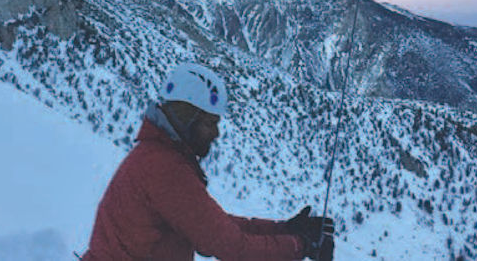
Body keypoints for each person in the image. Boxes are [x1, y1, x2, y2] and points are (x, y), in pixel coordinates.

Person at [82, 62, 335, 260]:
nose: (216, 133)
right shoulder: (164, 170)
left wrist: (284, 229)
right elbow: (232, 246)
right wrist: (301, 245)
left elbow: (213, 225)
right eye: (209, 123)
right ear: (186, 118)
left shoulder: (156, 155)